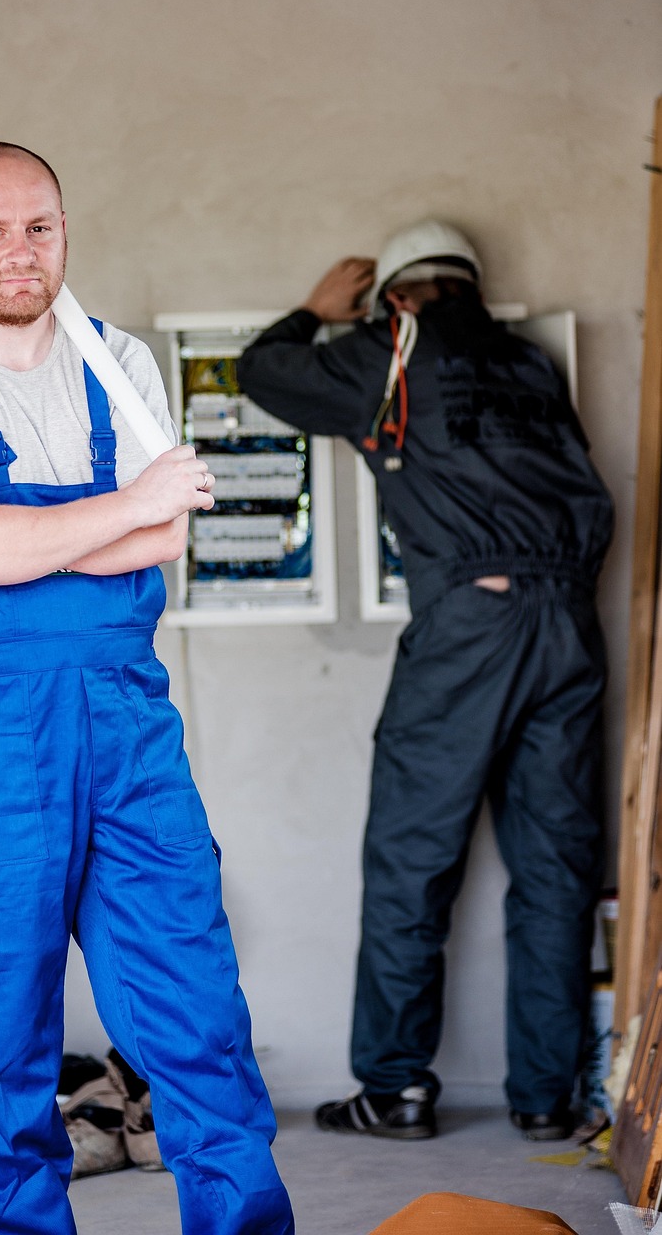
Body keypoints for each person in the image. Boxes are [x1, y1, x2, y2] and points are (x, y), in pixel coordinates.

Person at [0, 141, 295, 1235]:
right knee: (5, 1022)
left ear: (66, 229)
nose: (22, 250)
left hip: (129, 724)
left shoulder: (119, 360)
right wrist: (125, 506)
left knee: (196, 1007)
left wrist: (56, 533)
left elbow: (161, 536)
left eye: (41, 226)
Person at [237, 219, 613, 1144]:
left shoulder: (389, 350)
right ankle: (546, 1098)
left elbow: (261, 375)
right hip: (571, 624)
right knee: (556, 868)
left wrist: (312, 314)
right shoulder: (529, 364)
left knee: (413, 858)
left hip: (471, 626)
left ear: (397, 294)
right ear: (472, 286)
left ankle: (397, 1089)